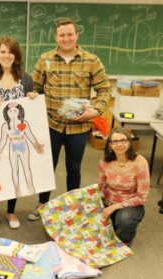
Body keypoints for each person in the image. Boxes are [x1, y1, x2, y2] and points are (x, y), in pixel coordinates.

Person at [29, 18, 112, 221]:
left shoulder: (91, 60)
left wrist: (97, 110)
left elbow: (105, 89)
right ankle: (42, 204)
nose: (66, 39)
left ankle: (72, 206)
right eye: (62, 35)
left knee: (73, 168)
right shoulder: (45, 59)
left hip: (79, 127)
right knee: (48, 166)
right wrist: (32, 97)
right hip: (51, 125)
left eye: (70, 34)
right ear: (56, 38)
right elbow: (35, 88)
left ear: (76, 36)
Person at [0, 36, 38, 231]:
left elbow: (29, 109)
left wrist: (32, 98)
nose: (6, 55)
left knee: (16, 172)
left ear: (16, 55)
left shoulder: (26, 78)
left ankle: (11, 211)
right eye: (2, 51)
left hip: (18, 137)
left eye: (10, 51)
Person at [98, 127, 149, 246]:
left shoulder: (140, 163)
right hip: (108, 201)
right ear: (110, 145)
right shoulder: (104, 160)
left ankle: (126, 239)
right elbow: (101, 186)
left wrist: (114, 207)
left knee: (125, 220)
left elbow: (142, 197)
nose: (119, 144)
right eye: (115, 141)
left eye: (123, 140)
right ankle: (114, 224)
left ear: (129, 143)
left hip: (130, 204)